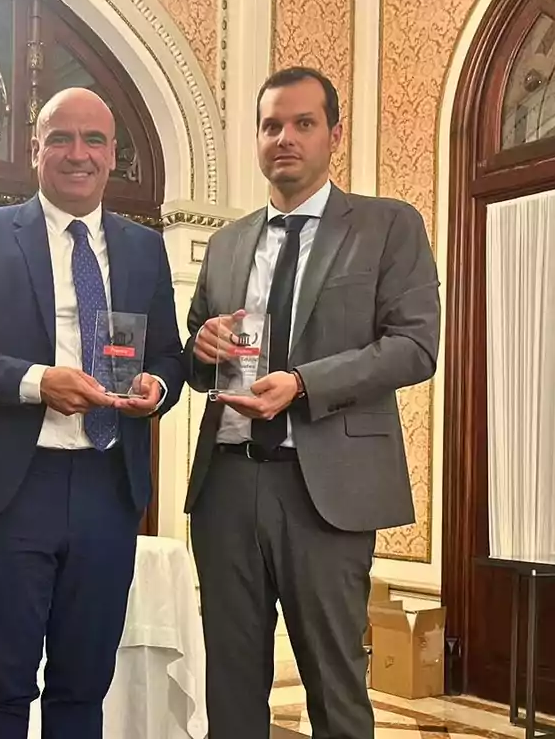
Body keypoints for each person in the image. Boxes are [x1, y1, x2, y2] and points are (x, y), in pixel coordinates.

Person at [183, 66, 440, 738]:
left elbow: (415, 348)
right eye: (271, 126)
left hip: (326, 489)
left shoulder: (387, 226)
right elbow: (195, 356)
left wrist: (304, 383)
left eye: (303, 123)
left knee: (335, 685)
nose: (285, 138)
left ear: (334, 135)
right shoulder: (226, 242)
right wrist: (201, 348)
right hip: (228, 486)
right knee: (231, 683)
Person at [0, 87, 185, 739]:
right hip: (13, 489)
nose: (78, 153)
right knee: (5, 685)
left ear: (113, 155)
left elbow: (171, 358)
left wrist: (157, 387)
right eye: (61, 138)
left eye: (93, 140)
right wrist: (39, 383)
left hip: (106, 487)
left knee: (84, 685)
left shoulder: (143, 249)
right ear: (35, 150)